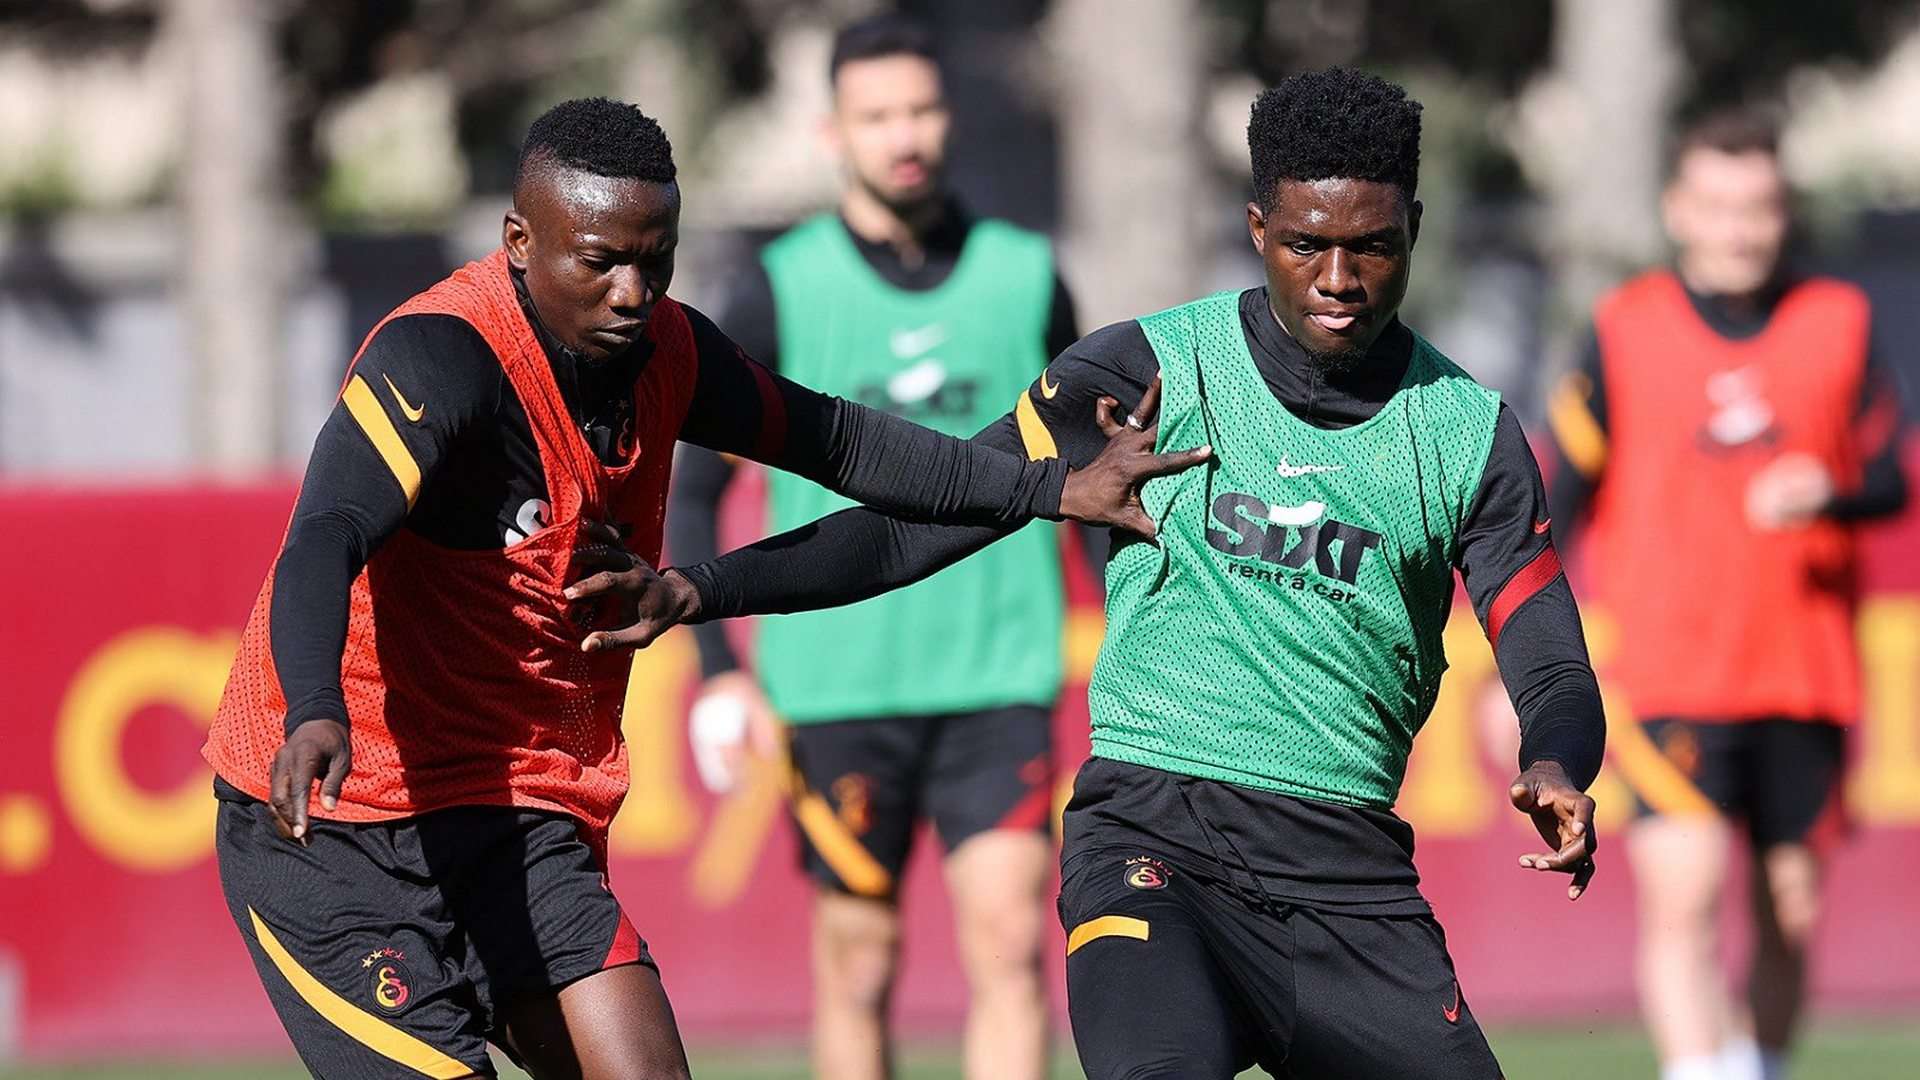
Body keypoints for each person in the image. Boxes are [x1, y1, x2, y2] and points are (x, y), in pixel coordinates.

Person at [619, 68, 1608, 1080]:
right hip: (1150, 848)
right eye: (1306, 244)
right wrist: (704, 589)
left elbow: (1549, 658)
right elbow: (919, 524)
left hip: (1347, 881)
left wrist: (1558, 758)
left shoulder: (1467, 434)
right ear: (1257, 227)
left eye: (1374, 246)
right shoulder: (1144, 376)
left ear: (1415, 229)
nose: (1339, 279)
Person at [200, 96, 1197, 1080]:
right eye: (600, 262)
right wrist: (315, 707)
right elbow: (325, 533)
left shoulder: (669, 351)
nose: (632, 294)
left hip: (518, 815)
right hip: (335, 830)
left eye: (656, 260)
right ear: (518, 241)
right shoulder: (443, 355)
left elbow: (848, 446)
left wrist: (1051, 488)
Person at [665, 17, 1084, 1080]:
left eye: (921, 109)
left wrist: (1136, 624)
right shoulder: (777, 288)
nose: (905, 135)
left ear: (950, 117)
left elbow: (1089, 472)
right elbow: (694, 488)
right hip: (837, 685)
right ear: (833, 132)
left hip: (998, 673)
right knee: (858, 965)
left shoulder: (1026, 277)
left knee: (1012, 945)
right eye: (878, 115)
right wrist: (716, 671)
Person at [1545, 109, 1910, 1080]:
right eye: (1717, 206)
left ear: (1783, 211)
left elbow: (1890, 477)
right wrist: (1522, 667)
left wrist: (1829, 492)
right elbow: (1556, 505)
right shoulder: (1624, 329)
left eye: (1757, 208)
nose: (1738, 230)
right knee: (1687, 896)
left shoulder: (1839, 321)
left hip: (1805, 673)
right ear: (1678, 210)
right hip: (1672, 671)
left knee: (1791, 907)